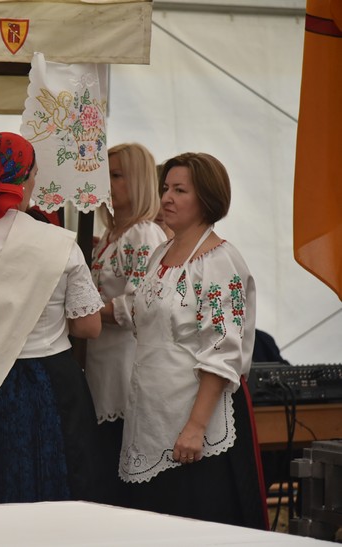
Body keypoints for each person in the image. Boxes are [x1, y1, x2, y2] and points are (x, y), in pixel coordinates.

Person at [0, 132, 105, 505]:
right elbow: (89, 326)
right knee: (58, 485)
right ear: (25, 178)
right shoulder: (59, 242)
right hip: (53, 384)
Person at [119, 152, 267, 529]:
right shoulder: (160, 254)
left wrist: (196, 427)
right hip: (152, 415)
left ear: (206, 198)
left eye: (180, 190)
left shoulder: (219, 260)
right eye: (166, 188)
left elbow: (223, 349)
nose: (167, 197)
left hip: (194, 422)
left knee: (195, 524)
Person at [84, 143, 167, 506]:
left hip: (124, 366)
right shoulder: (113, 236)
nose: (107, 183)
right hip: (103, 364)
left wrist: (87, 311)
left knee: (118, 468)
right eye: (104, 175)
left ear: (138, 181)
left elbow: (140, 304)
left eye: (116, 175)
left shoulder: (143, 234)